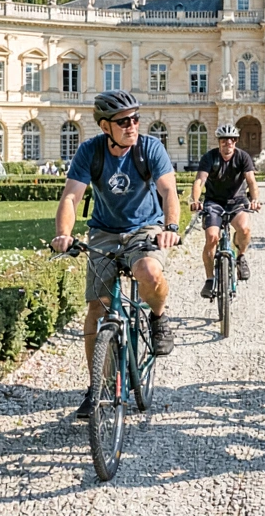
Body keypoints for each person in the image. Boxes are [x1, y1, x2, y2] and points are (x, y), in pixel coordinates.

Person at [51, 90, 180, 419]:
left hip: (145, 228)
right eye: (124, 122)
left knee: (149, 272)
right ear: (105, 127)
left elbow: (168, 189)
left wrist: (171, 227)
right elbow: (71, 197)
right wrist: (64, 234)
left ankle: (159, 317)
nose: (132, 125)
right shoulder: (90, 151)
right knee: (98, 308)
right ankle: (97, 388)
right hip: (105, 232)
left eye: (135, 119)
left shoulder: (150, 148)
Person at [189, 124, 261, 298]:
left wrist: (255, 200)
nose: (228, 143)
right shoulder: (209, 157)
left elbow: (251, 181)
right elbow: (200, 181)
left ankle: (241, 256)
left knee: (245, 229)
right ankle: (209, 279)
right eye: (224, 140)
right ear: (219, 142)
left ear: (235, 141)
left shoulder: (242, 157)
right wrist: (195, 200)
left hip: (237, 201)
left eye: (231, 140)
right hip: (214, 202)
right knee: (212, 237)